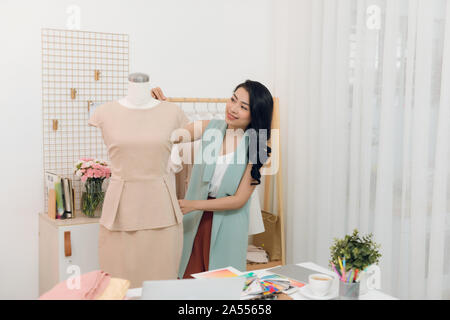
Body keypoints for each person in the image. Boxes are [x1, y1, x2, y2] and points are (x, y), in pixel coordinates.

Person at [152, 80, 273, 278]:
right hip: (196, 219)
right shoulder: (212, 127)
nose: (233, 109)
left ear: (255, 113)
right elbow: (174, 135)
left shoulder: (257, 145)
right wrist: (162, 109)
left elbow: (239, 199)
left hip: (228, 222)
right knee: (188, 277)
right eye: (233, 100)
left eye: (243, 107)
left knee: (221, 281)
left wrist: (194, 204)